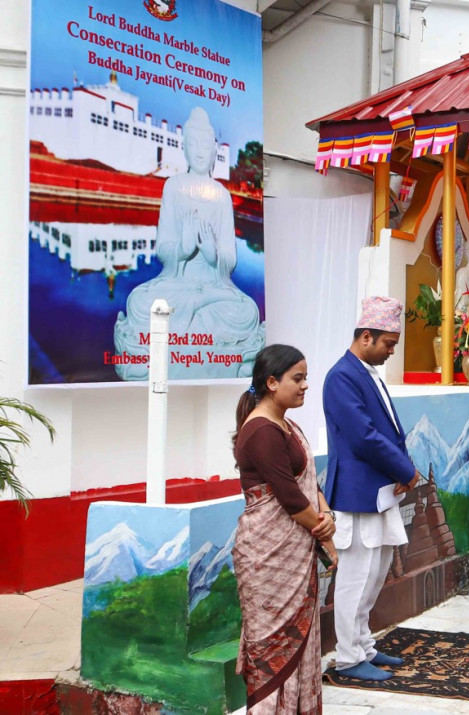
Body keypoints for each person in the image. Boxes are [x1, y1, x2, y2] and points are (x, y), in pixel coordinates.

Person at [113, 107, 264, 379]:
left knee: (247, 312)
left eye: (205, 144)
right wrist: (181, 249)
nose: (199, 150)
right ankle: (219, 344)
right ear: (184, 148)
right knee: (139, 301)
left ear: (214, 149)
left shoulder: (221, 195)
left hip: (213, 284)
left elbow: (230, 258)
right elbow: (162, 249)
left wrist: (212, 255)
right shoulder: (172, 186)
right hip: (176, 282)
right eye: (192, 143)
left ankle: (152, 357)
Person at [232, 344, 335, 712]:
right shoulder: (261, 430)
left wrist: (327, 516)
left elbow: (310, 483)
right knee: (274, 647)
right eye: (298, 378)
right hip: (268, 557)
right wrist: (324, 531)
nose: (306, 385)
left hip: (295, 548)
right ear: (272, 382)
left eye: (305, 377)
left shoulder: (286, 424)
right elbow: (290, 497)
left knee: (302, 642)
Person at [323, 296, 418, 682]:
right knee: (355, 577)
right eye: (388, 344)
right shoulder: (342, 376)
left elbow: (389, 431)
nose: (391, 351)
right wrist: (406, 470)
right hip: (356, 493)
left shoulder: (366, 372)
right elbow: (363, 437)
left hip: (379, 491)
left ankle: (364, 646)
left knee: (376, 572)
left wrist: (402, 468)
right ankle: (347, 658)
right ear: (365, 336)